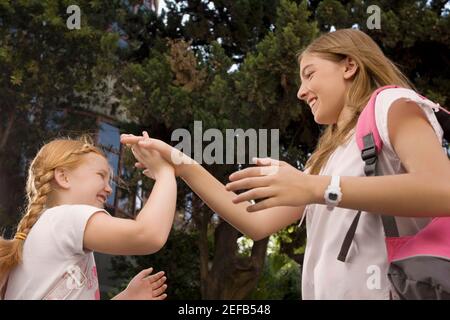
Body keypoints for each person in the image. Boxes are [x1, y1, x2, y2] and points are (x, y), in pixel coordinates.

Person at [121, 29, 450, 299]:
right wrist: (181, 165)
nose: (301, 92)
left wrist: (314, 187)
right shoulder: (325, 159)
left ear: (349, 66)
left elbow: (442, 189)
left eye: (309, 74)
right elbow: (255, 223)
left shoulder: (391, 104)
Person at [0, 136, 176, 299]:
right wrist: (165, 172)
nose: (109, 189)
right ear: (63, 177)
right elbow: (148, 235)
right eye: (101, 175)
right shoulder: (67, 218)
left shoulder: (48, 228)